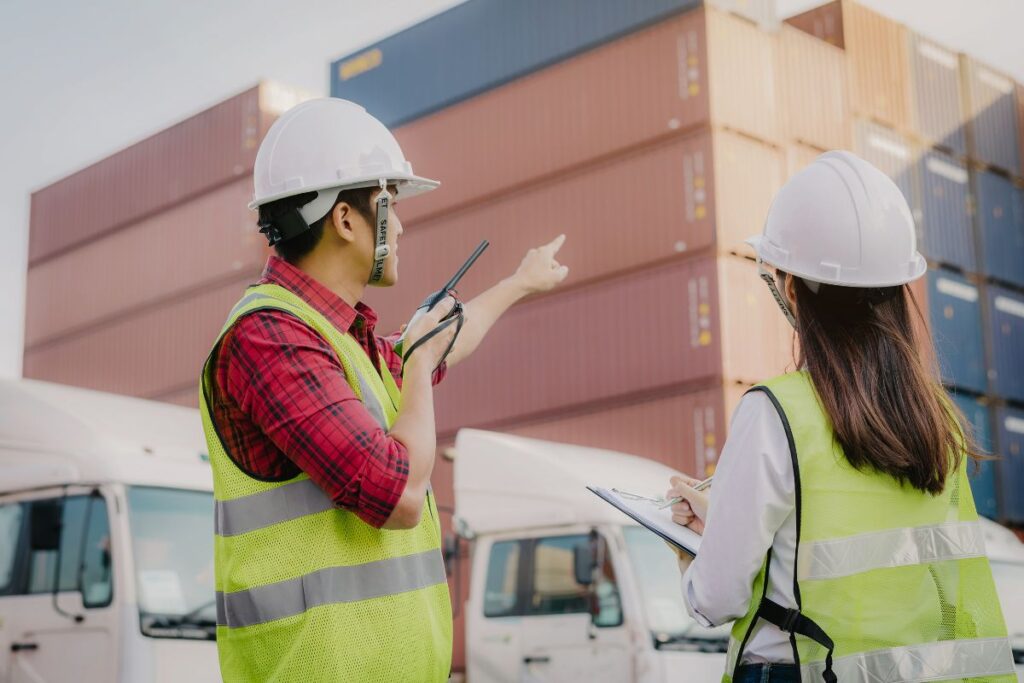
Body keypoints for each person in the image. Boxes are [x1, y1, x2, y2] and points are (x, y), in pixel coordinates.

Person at [199, 98, 568, 682]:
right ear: (346, 219)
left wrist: (518, 283)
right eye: (389, 205)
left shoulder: (346, 343)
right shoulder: (268, 337)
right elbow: (396, 494)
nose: (401, 225)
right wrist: (418, 368)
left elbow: (441, 342)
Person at [666, 151, 1016, 683]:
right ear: (898, 289)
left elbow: (716, 600)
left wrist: (693, 554)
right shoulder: (937, 419)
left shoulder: (775, 413)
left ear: (789, 289)